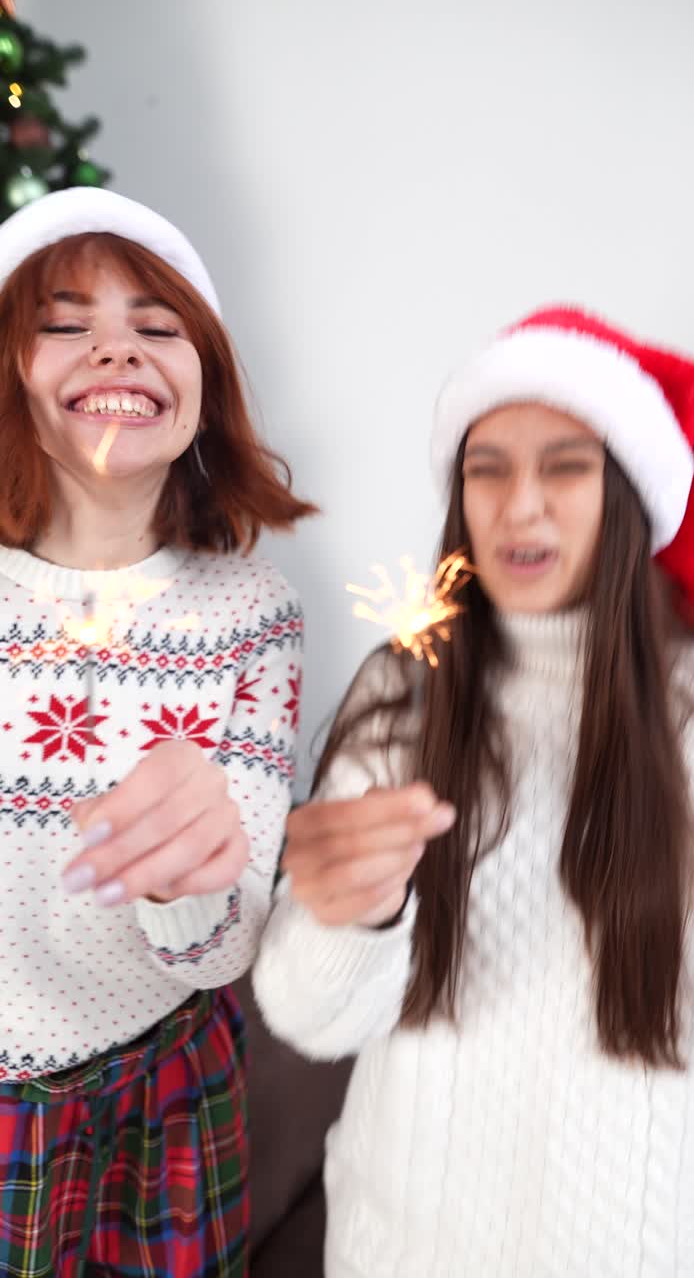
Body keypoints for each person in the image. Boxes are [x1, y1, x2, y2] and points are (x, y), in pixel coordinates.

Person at [254, 306, 694, 1276]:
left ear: (629, 492)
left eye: (565, 465)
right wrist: (355, 916)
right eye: (488, 468)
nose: (521, 507)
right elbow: (309, 1015)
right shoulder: (404, 687)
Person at [0, 186, 314, 1277]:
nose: (116, 349)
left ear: (204, 385)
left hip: (167, 1089)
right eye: (64, 321)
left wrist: (187, 877)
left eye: (158, 325)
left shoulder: (251, 615)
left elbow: (227, 945)